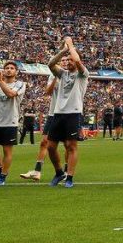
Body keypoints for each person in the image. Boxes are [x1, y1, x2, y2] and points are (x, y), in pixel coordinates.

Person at [44, 37, 89, 188]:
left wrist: (70, 46)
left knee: (71, 146)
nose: (68, 61)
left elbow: (77, 60)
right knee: (50, 146)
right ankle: (59, 172)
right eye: (66, 60)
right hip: (58, 113)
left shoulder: (83, 74)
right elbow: (50, 64)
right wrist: (64, 50)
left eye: (71, 59)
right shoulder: (62, 74)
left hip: (73, 113)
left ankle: (69, 177)